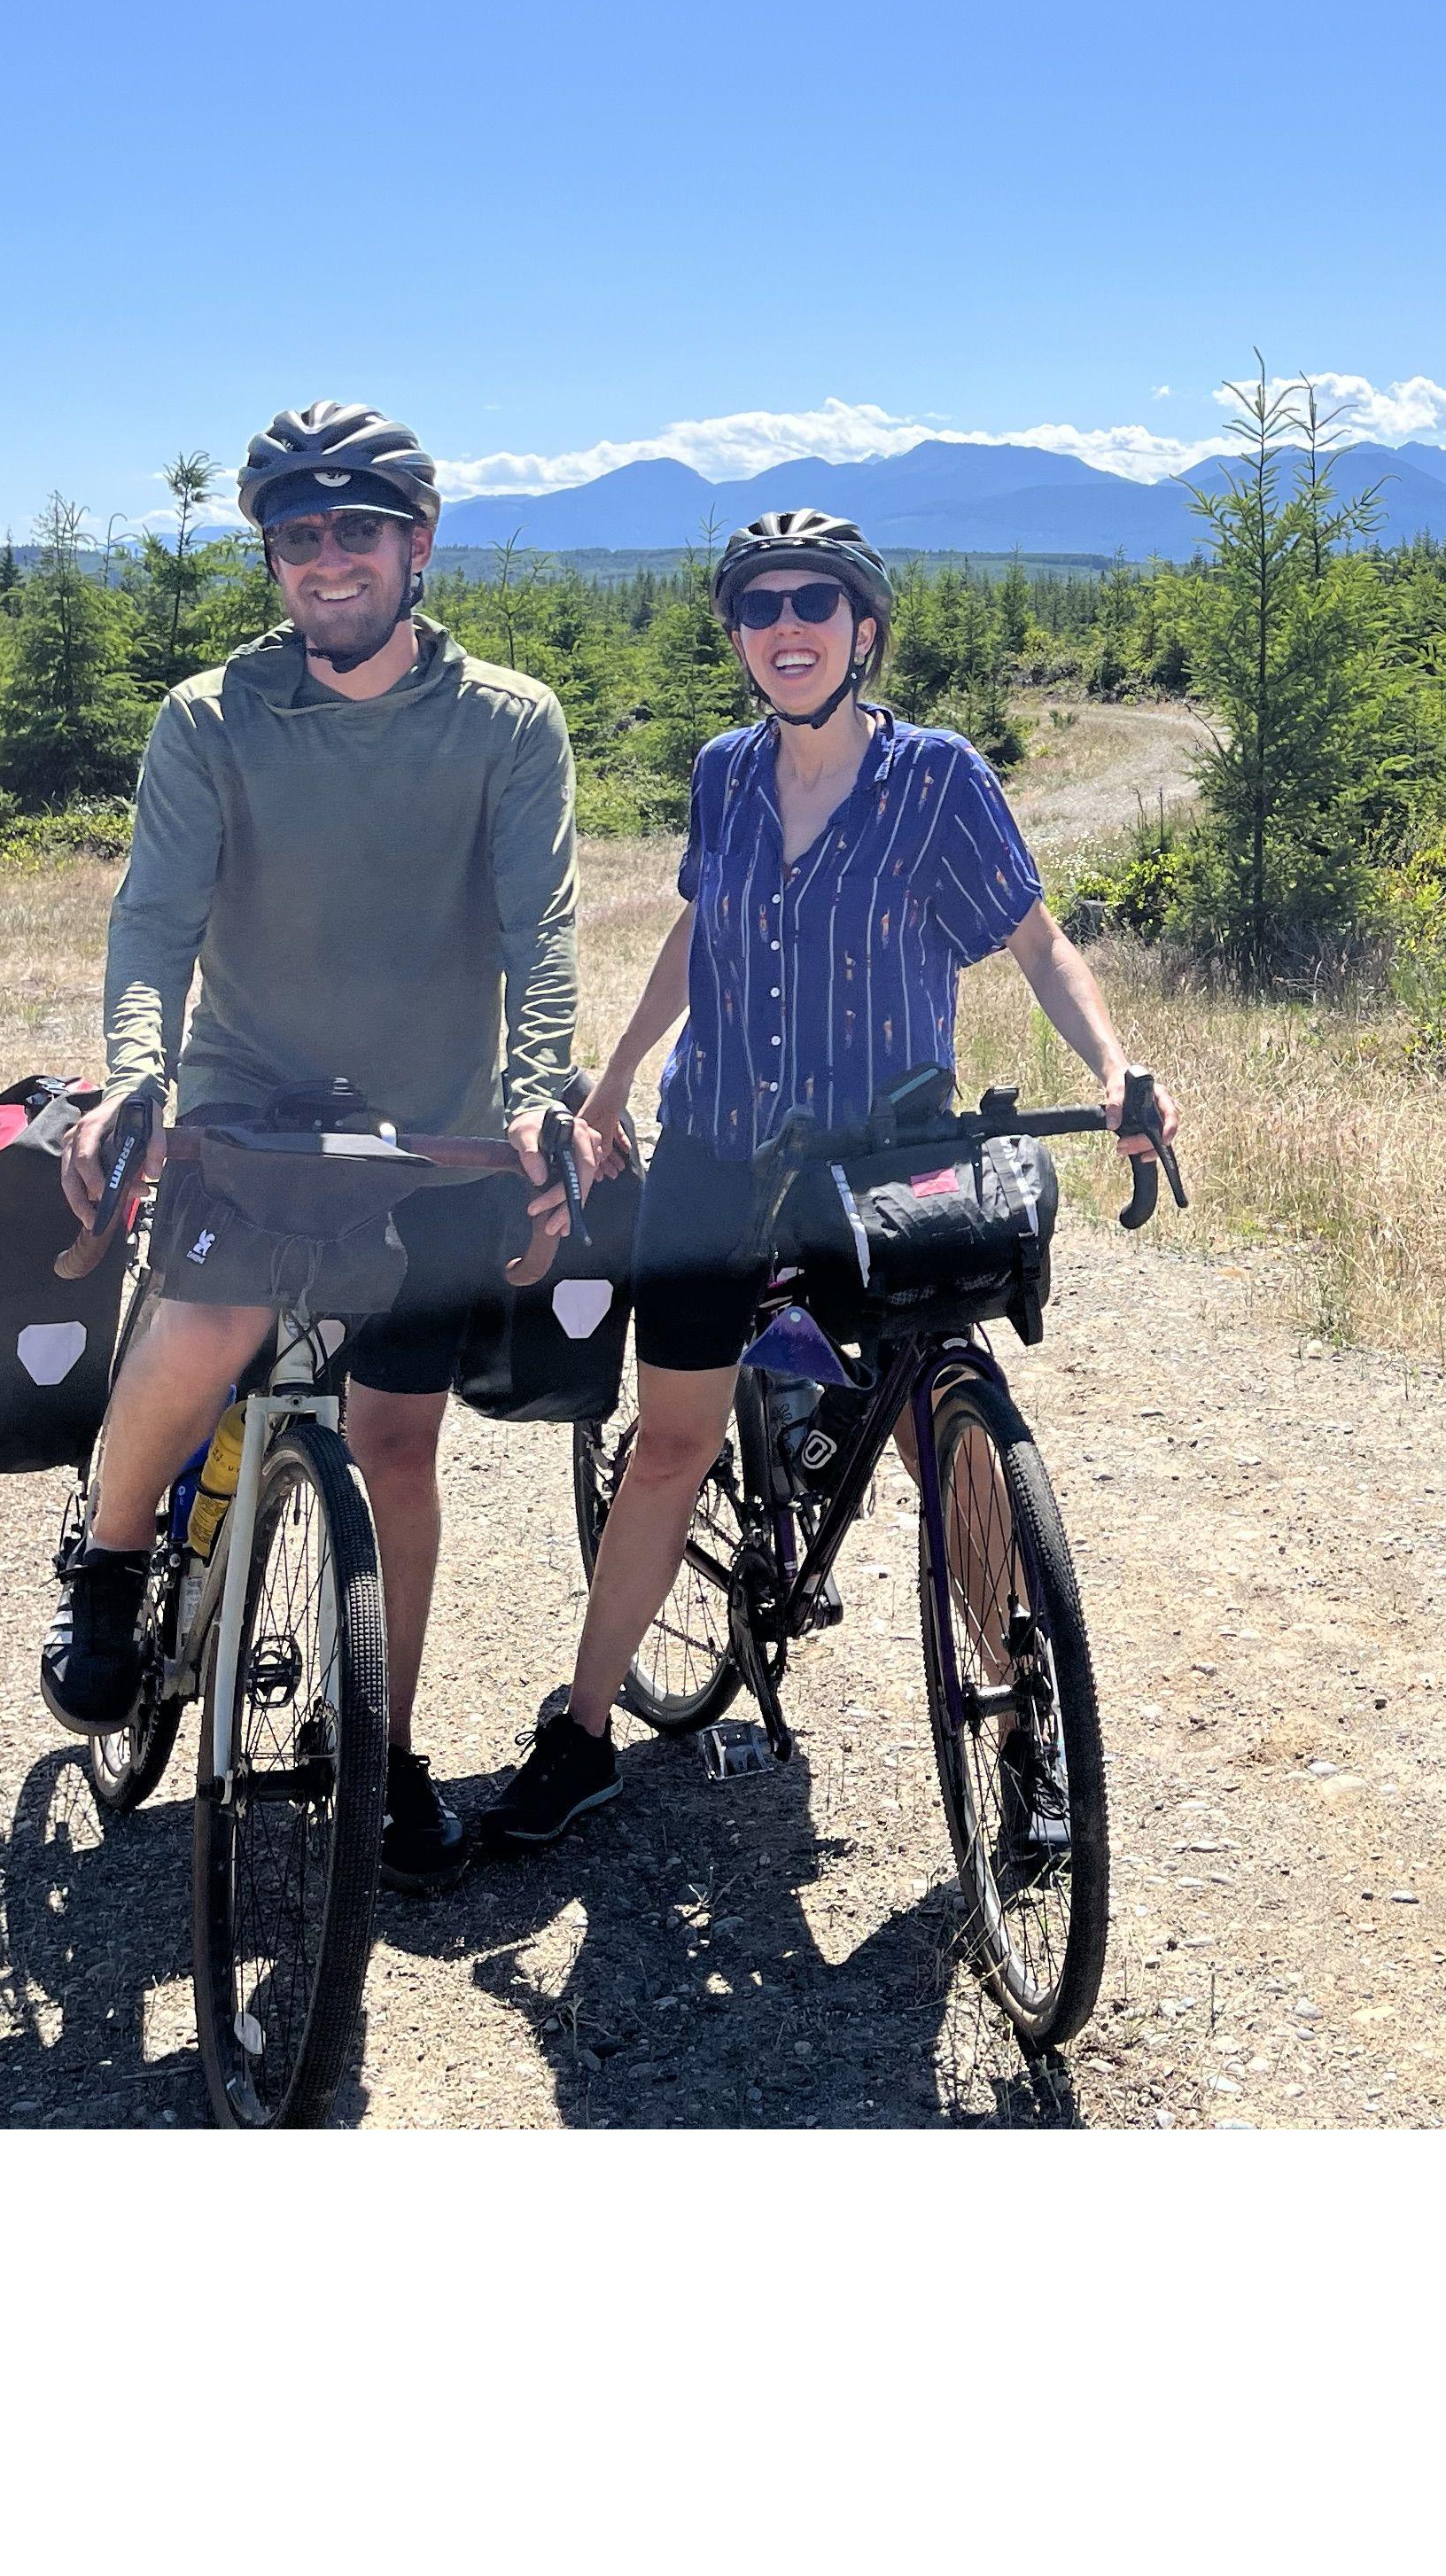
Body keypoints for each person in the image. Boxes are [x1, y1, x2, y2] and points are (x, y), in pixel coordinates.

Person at [481, 509, 1178, 1843]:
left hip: (880, 1166)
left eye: (815, 603)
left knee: (942, 1431)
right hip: (716, 1148)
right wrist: (620, 1078)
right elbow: (700, 927)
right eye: (759, 608)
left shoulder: (938, 779)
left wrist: (1112, 1069)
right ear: (740, 638)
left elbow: (1037, 944)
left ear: (865, 632)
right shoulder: (725, 775)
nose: (786, 627)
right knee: (673, 1444)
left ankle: (1021, 1720)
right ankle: (579, 1735)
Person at [38, 401, 614, 1894]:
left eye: (358, 530)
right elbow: (155, 922)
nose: (327, 560)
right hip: (251, 1105)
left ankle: (384, 1755)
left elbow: (538, 928)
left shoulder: (508, 723)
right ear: (275, 561)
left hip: (431, 1135)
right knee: (210, 1318)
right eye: (299, 536)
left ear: (417, 547)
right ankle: (106, 1563)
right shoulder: (209, 720)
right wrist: (134, 1077)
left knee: (398, 1444)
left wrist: (544, 1088)